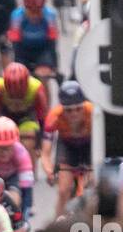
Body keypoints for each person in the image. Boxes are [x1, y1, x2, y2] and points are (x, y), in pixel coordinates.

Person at [41, 81, 95, 218]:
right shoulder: (54, 116)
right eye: (69, 110)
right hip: (67, 146)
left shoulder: (93, 112)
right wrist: (49, 171)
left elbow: (105, 142)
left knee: (94, 185)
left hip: (90, 146)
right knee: (64, 190)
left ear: (84, 105)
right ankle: (56, 224)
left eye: (78, 109)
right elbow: (45, 153)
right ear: (62, 108)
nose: (74, 114)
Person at [0, 62, 49, 154]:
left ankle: (29, 166)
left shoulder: (36, 88)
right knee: (0, 143)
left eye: (20, 95)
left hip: (27, 118)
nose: (16, 100)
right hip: (4, 119)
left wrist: (39, 144)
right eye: (12, 95)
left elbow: (42, 119)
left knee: (28, 139)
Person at [8, 0, 59, 83]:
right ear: (26, 7)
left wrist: (54, 66)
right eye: (31, 11)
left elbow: (52, 43)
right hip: (23, 50)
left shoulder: (50, 15)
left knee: (43, 75)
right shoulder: (17, 16)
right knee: (21, 79)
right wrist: (18, 66)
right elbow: (15, 44)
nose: (35, 15)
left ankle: (44, 95)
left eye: (38, 11)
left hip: (43, 50)